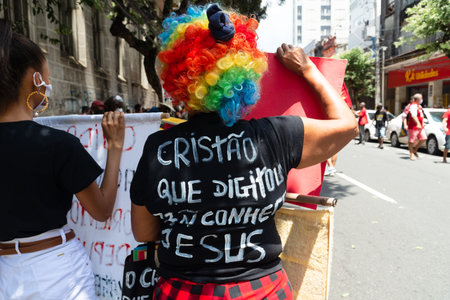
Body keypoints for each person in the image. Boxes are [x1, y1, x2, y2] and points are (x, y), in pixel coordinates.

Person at [129, 5, 357, 299]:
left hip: (181, 291)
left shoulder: (159, 148)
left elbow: (144, 233)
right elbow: (348, 126)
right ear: (245, 75)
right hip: (262, 291)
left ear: (179, 77)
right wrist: (307, 69)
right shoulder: (276, 135)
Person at [0, 19, 125, 299]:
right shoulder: (57, 145)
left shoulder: (56, 144)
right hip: (55, 271)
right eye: (46, 74)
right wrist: (115, 147)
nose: (49, 82)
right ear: (34, 78)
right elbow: (101, 210)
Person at [407, 94, 427, 160]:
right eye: (421, 98)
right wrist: (418, 123)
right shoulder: (413, 106)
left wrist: (422, 123)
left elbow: (421, 116)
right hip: (413, 126)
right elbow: (414, 116)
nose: (422, 100)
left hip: (420, 127)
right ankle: (411, 154)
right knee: (412, 141)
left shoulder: (419, 106)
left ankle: (415, 150)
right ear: (418, 99)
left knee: (424, 138)